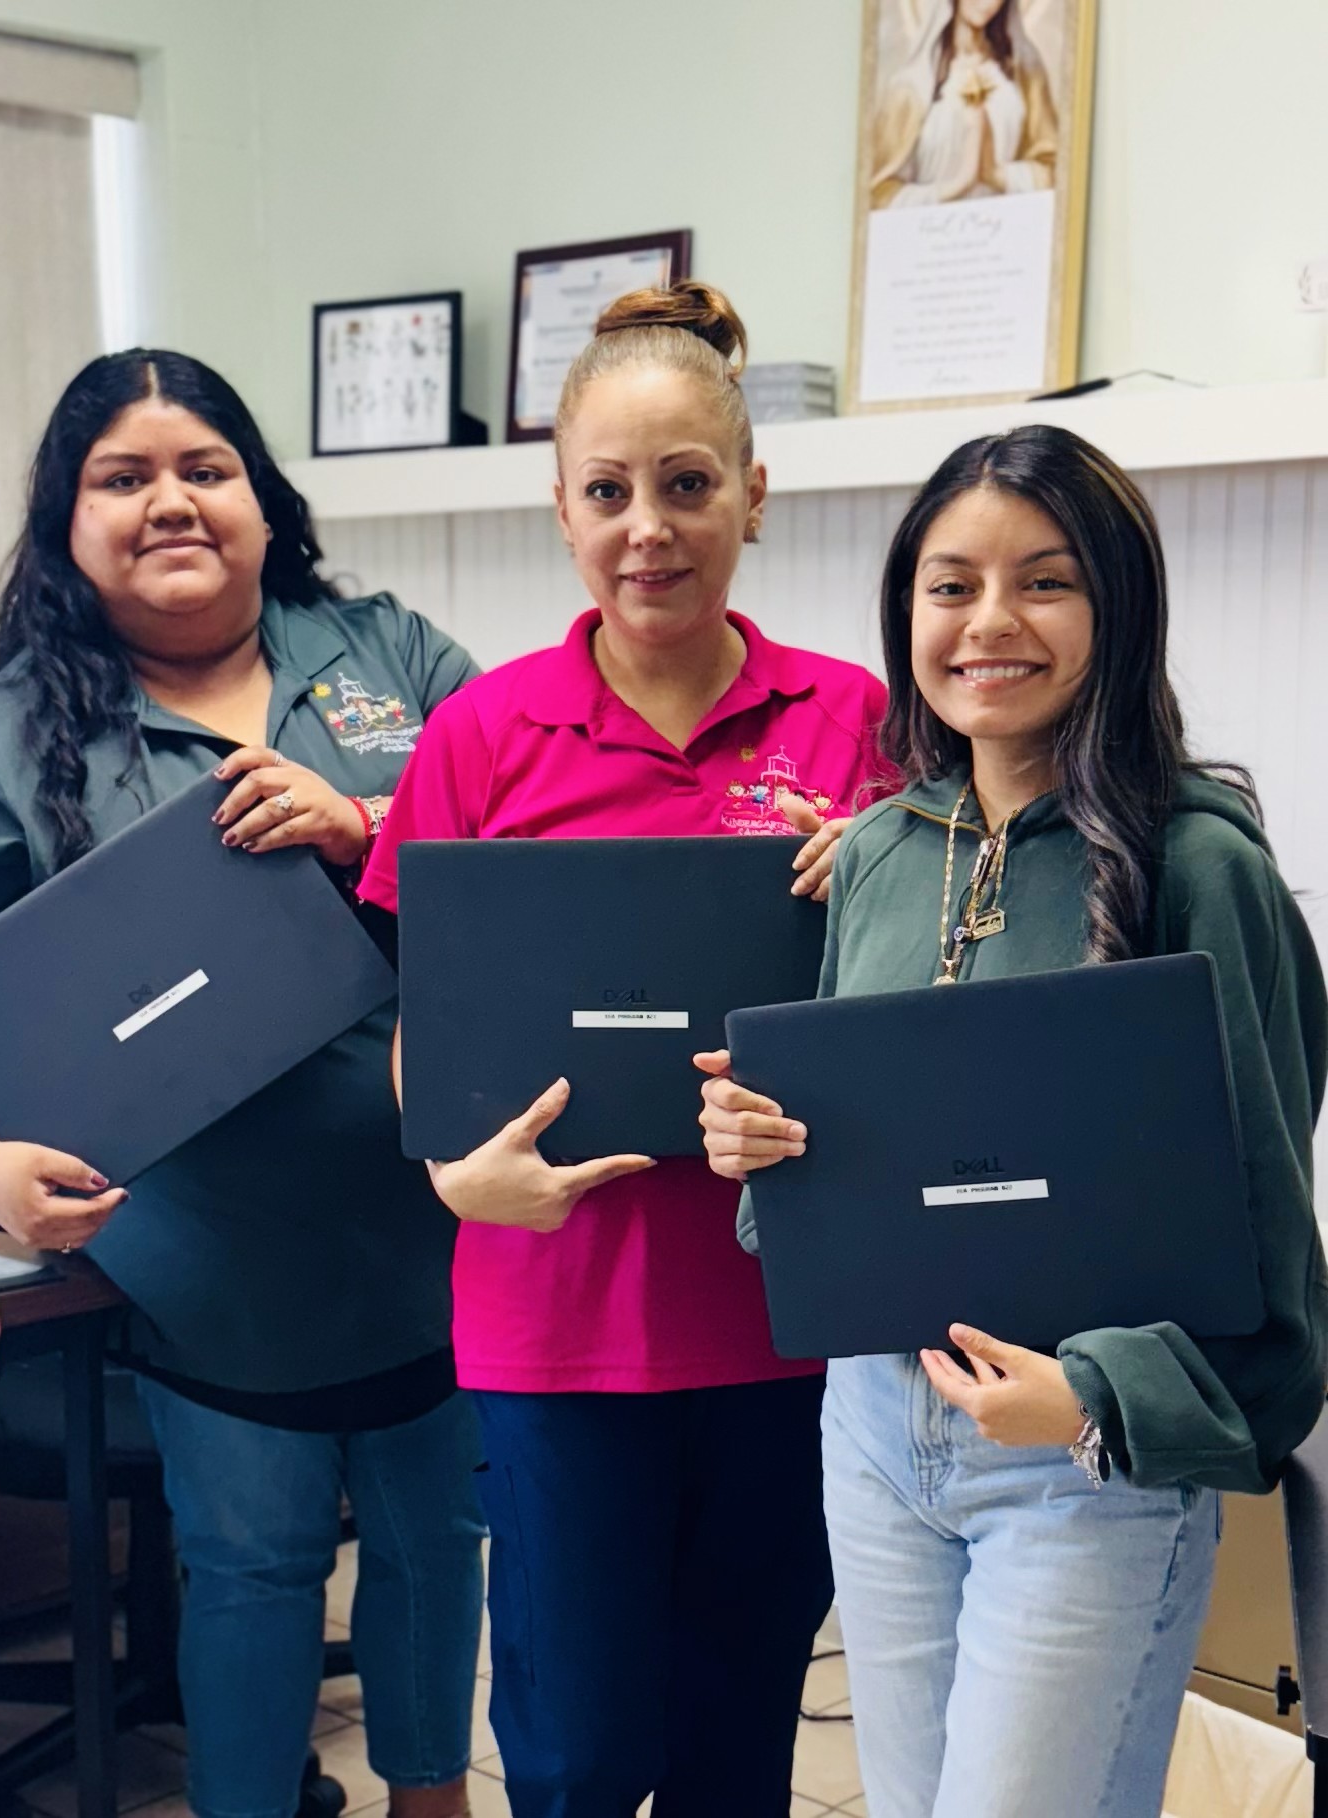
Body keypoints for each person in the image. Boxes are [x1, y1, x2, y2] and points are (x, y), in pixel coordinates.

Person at [697, 423, 1328, 1818]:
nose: (989, 622)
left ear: (1116, 606)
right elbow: (828, 1189)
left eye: (1042, 581)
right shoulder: (870, 852)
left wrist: (1095, 1401)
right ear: (904, 612)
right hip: (869, 1430)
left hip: (1074, 1462)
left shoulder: (1198, 865)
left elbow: (1269, 1244)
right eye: (948, 584)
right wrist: (757, 1150)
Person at [358, 281, 893, 1817]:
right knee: (578, 1747)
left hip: (786, 1322)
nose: (647, 526)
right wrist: (458, 1179)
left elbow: (931, 1002)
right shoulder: (482, 734)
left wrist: (871, 868)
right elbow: (422, 1042)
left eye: (686, 484)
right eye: (609, 491)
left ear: (753, 497)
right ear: (561, 511)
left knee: (734, 1746)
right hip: (553, 1324)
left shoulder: (855, 722)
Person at [0, 350, 485, 1818]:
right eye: (123, 477)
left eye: (205, 466)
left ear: (263, 496)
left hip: (439, 1213)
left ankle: (433, 1798)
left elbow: (525, 858)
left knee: (439, 1544)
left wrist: (357, 822)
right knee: (251, 1561)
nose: (170, 500)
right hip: (207, 1248)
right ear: (65, 520)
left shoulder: (391, 656)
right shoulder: (3, 737)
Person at [871, 0, 1059, 208]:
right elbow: (878, 196)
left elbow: (1056, 172)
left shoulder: (1025, 75)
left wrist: (996, 175)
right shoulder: (912, 86)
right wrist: (953, 187)